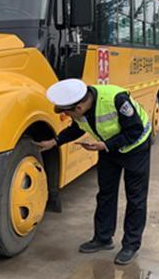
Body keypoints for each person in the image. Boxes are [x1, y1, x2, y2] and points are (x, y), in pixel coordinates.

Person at [35, 79, 152, 265]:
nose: (67, 116)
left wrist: (106, 144)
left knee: (135, 197)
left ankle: (131, 245)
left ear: (79, 108)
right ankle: (103, 238)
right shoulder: (82, 106)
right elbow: (76, 128)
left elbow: (135, 130)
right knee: (105, 194)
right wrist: (54, 141)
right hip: (107, 148)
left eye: (67, 113)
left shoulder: (117, 99)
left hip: (135, 148)